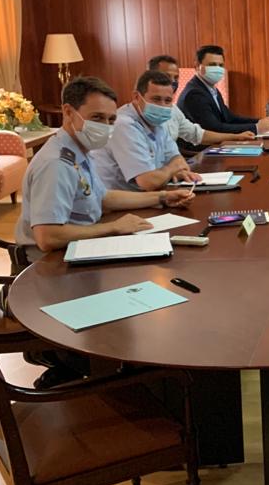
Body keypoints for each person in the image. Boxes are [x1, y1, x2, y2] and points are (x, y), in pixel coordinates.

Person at [15, 76, 194, 387]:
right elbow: (47, 237)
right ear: (68, 112)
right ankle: (103, 372)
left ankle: (123, 371)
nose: (106, 127)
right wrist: (112, 227)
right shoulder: (57, 163)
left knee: (150, 277)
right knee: (141, 301)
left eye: (111, 120)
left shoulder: (77, 150)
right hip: (50, 272)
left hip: (77, 255)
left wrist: (162, 198)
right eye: (97, 118)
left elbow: (102, 197)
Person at [93, 70, 202, 191]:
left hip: (147, 195)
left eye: (167, 101)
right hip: (121, 199)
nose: (162, 106)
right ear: (136, 97)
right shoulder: (123, 125)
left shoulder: (157, 122)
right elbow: (148, 182)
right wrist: (172, 170)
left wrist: (173, 171)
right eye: (156, 99)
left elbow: (179, 160)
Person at [147, 54, 255, 146]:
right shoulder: (194, 93)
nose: (172, 82)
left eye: (176, 78)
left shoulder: (173, 110)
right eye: (166, 76)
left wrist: (236, 137)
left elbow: (197, 134)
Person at [177, 44, 269, 136]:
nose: (217, 69)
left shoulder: (211, 89)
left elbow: (229, 118)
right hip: (201, 148)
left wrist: (261, 122)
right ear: (197, 67)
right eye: (212, 65)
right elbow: (214, 129)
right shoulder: (194, 94)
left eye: (221, 65)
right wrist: (256, 128)